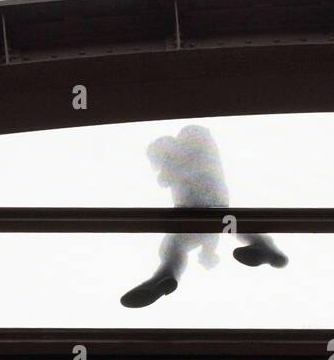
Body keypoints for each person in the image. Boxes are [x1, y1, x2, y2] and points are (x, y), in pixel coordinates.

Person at [120, 124, 288, 308]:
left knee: (221, 227)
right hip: (199, 216)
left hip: (210, 209)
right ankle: (163, 277)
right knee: (179, 243)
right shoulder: (179, 162)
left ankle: (264, 248)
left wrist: (208, 250)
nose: (161, 163)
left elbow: (193, 164)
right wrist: (208, 250)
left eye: (160, 157)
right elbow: (209, 230)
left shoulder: (192, 144)